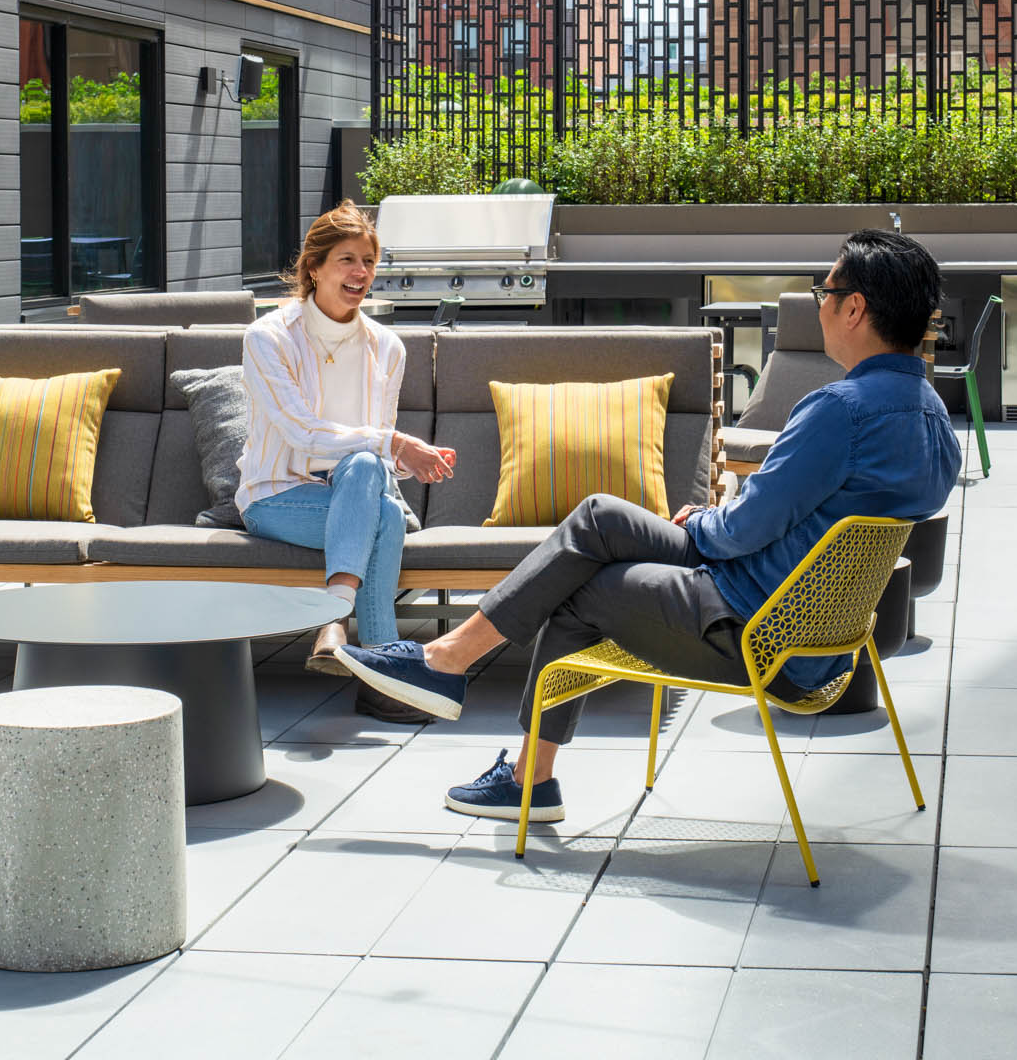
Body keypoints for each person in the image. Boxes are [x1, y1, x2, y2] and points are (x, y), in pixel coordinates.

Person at [337, 228, 961, 816]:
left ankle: (517, 763)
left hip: (753, 621)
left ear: (854, 309)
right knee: (600, 518)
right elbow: (808, 522)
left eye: (825, 292)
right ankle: (449, 667)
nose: (819, 305)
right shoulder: (934, 420)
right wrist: (715, 522)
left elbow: (747, 528)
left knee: (578, 584)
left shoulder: (840, 410)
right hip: (818, 624)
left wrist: (707, 526)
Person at [238, 199, 456, 722]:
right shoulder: (268, 337)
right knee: (375, 500)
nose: (361, 273)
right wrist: (395, 446)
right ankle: (380, 671)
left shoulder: (388, 348)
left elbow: (376, 452)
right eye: (346, 260)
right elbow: (299, 433)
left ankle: (335, 622)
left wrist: (406, 460)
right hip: (277, 495)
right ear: (313, 268)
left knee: (369, 484)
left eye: (369, 261)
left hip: (356, 493)